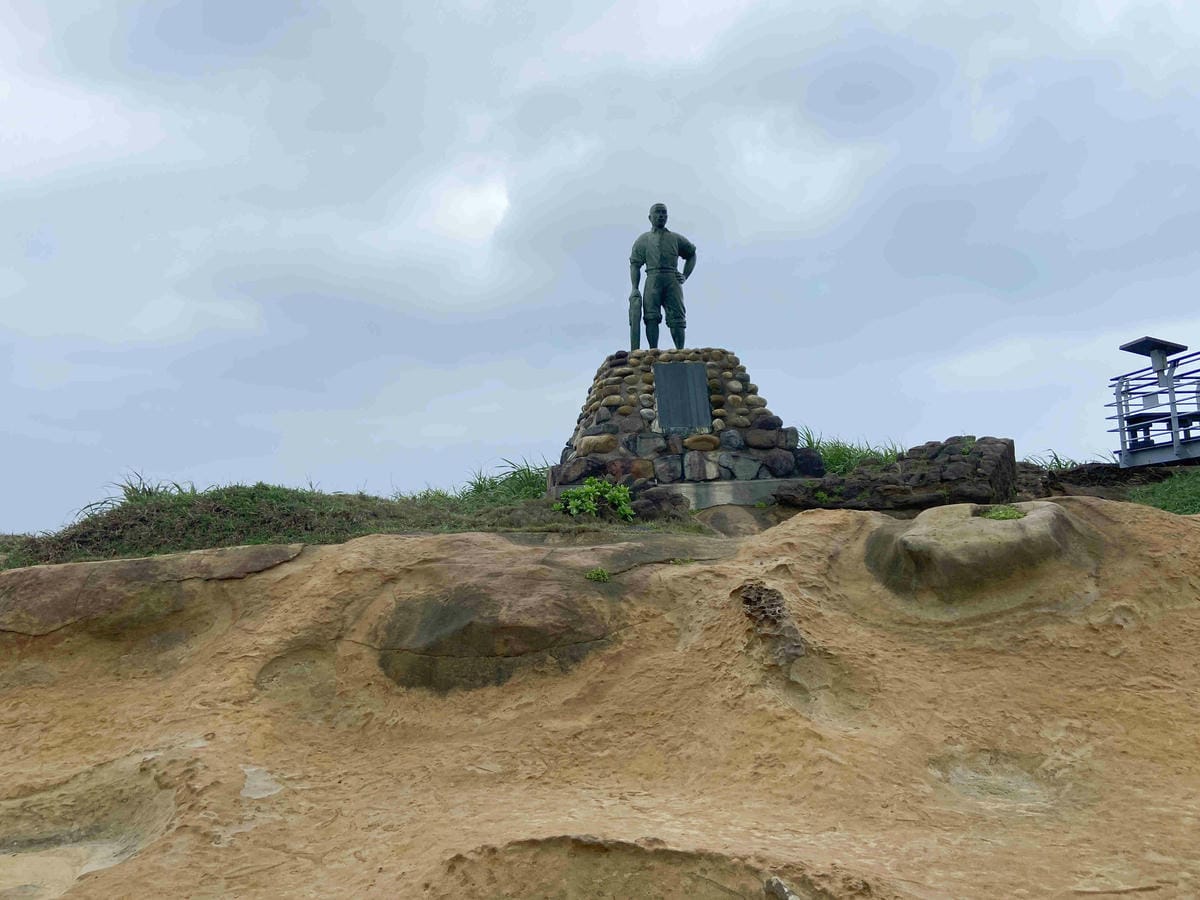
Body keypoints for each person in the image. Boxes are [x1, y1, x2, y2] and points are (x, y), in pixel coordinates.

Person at [628, 203, 696, 350]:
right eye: (657, 212)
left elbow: (691, 254)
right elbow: (635, 264)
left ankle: (680, 351)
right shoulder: (643, 240)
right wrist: (634, 288)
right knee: (651, 316)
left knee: (677, 318)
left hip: (672, 279)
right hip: (652, 278)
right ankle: (653, 350)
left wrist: (684, 275)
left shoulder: (676, 238)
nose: (661, 215)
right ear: (650, 217)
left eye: (664, 213)